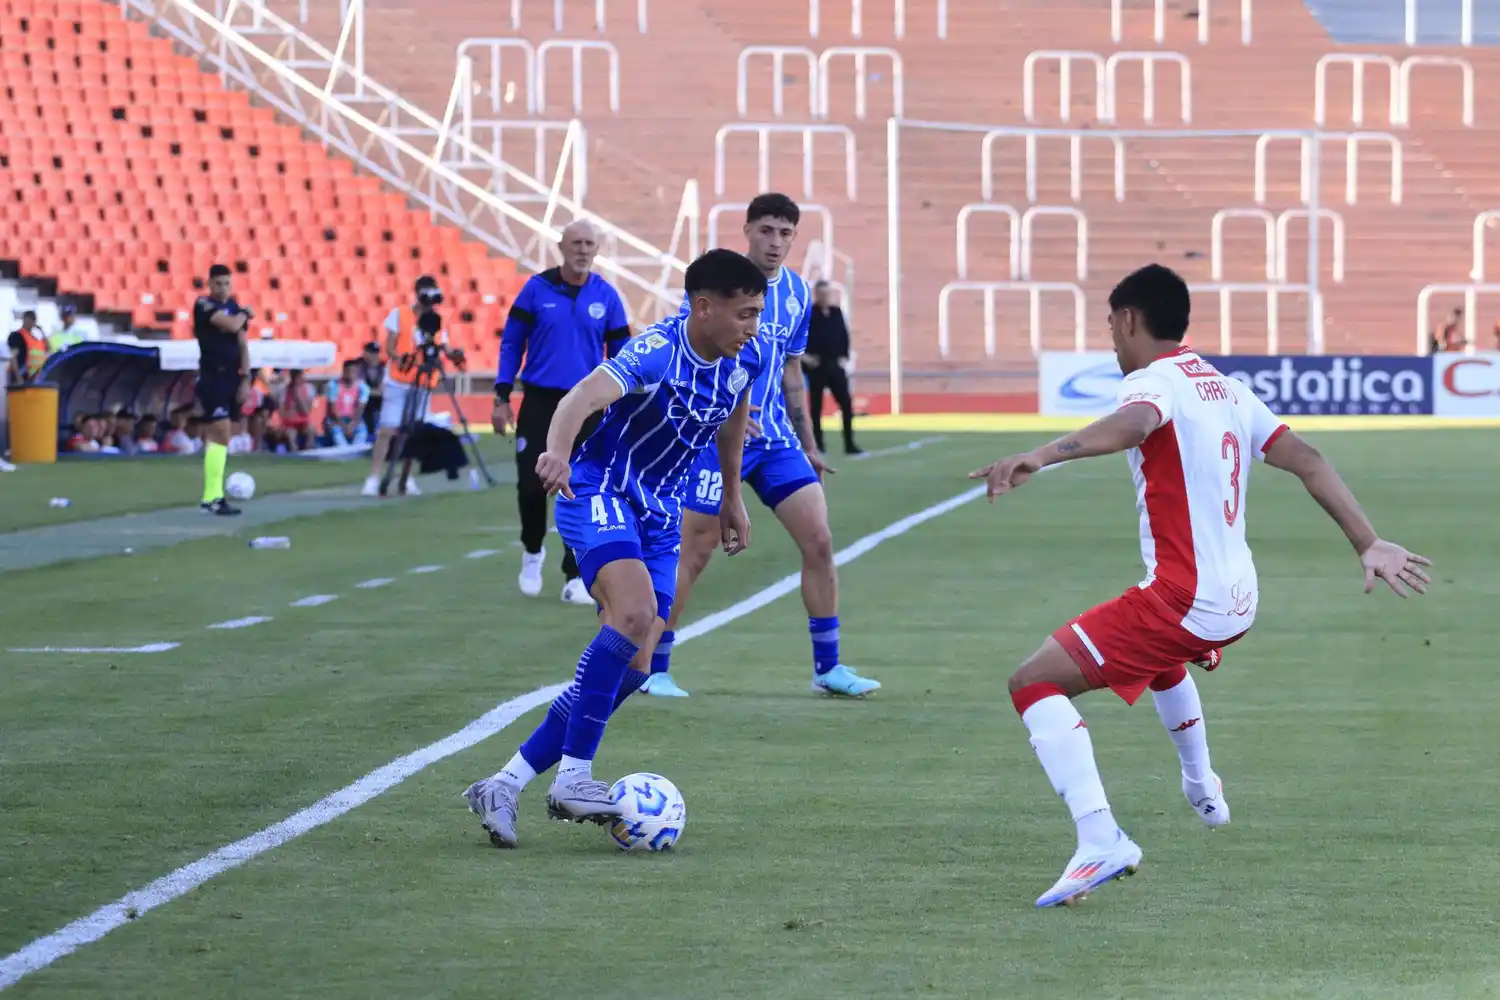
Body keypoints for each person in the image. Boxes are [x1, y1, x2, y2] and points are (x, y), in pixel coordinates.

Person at [969, 264, 1433, 909]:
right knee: (1159, 659)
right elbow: (1309, 459)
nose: (1109, 339)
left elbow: (1133, 425)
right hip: (1237, 601)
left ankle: (1100, 839)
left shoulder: (1154, 383)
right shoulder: (1224, 386)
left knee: (1033, 681)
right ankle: (1202, 785)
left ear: (1130, 320)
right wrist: (1368, 541)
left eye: (1110, 325)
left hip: (1185, 603)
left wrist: (1042, 455)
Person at [463, 249, 766, 848]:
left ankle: (504, 782)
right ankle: (573, 776)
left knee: (637, 664)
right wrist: (554, 452)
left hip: (657, 513)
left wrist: (733, 497)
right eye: (746, 314)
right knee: (631, 614)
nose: (754, 327)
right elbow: (578, 398)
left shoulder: (742, 360)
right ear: (703, 308)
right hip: (597, 487)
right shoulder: (655, 350)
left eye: (758, 314)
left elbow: (733, 419)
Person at [643, 193, 880, 699]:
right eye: (767, 230)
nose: (775, 242)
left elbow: (793, 369)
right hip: (711, 436)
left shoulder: (795, 295)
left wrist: (809, 442)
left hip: (773, 438)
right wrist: (708, 412)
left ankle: (828, 667)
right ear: (747, 229)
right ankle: (655, 666)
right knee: (697, 549)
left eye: (785, 233)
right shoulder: (713, 285)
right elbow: (688, 352)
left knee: (818, 540)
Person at [493, 219, 633, 605]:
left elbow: (622, 354)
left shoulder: (606, 295)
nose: (583, 249)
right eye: (576, 242)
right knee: (531, 484)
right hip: (539, 402)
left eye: (590, 243)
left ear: (597, 248)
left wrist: (621, 401)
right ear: (562, 246)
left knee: (581, 489)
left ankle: (575, 576)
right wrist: (502, 394)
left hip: (586, 405)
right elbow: (511, 343)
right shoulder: (536, 290)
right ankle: (533, 550)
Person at [363, 276, 444, 497]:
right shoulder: (400, 315)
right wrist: (403, 360)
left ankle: (406, 479)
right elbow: (389, 347)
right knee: (387, 430)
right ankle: (374, 477)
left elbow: (439, 346)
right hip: (399, 381)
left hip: (423, 383)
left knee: (415, 433)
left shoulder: (436, 320)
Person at [193, 264, 252, 516]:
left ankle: (213, 495)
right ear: (209, 284)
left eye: (227, 283)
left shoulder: (235, 308)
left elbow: (243, 344)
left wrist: (247, 378)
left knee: (222, 436)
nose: (223, 288)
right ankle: (213, 497)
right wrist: (244, 315)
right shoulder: (203, 305)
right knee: (220, 431)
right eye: (218, 283)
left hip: (232, 377)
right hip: (212, 377)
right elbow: (230, 325)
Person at [803, 280, 861, 456]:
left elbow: (844, 334)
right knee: (816, 407)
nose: (824, 296)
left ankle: (850, 444)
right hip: (816, 366)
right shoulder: (810, 314)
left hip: (835, 364)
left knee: (846, 404)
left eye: (827, 293)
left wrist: (844, 357)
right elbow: (800, 337)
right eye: (821, 293)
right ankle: (818, 444)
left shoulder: (836, 313)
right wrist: (805, 358)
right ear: (816, 294)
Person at [328, 360, 371, 446]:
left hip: (354, 419)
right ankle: (343, 450)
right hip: (337, 419)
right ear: (344, 371)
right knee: (336, 430)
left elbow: (360, 408)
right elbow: (333, 409)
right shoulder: (334, 385)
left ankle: (356, 450)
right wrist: (343, 425)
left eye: (353, 372)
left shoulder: (363, 387)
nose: (350, 374)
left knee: (362, 430)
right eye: (348, 371)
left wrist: (353, 423)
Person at [7, 311, 47, 386]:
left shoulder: (34, 338)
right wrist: (18, 378)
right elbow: (13, 358)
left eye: (34, 320)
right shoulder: (17, 335)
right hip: (20, 378)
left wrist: (41, 330)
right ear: (25, 319)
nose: (32, 322)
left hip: (32, 379)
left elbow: (48, 348)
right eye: (30, 319)